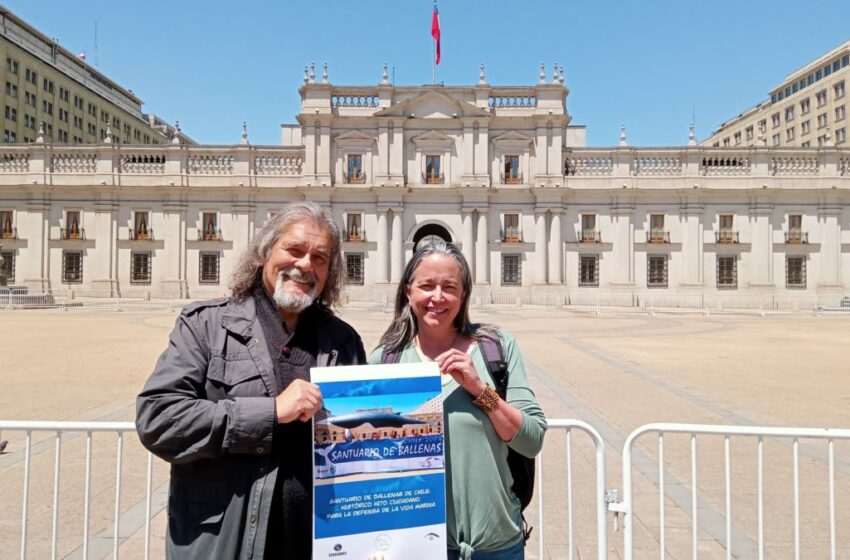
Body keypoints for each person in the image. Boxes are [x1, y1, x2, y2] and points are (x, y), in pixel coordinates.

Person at [136, 201, 366, 559]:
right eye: (294, 250)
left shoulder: (344, 342)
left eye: (320, 258)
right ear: (264, 253)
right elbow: (158, 419)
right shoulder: (206, 326)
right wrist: (271, 412)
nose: (305, 264)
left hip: (316, 544)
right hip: (226, 543)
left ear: (330, 272)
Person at [369, 240, 546, 560]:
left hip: (495, 545)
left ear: (463, 294)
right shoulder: (385, 362)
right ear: (409, 293)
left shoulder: (497, 348)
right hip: (414, 546)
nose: (437, 297)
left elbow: (531, 440)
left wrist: (481, 391)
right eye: (427, 286)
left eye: (449, 287)